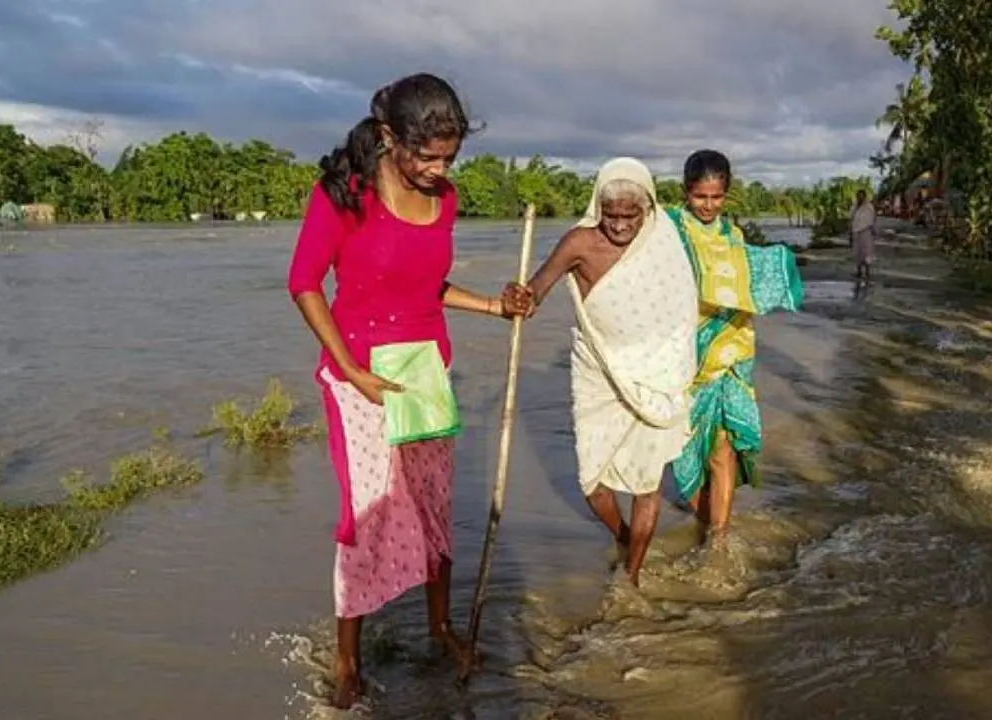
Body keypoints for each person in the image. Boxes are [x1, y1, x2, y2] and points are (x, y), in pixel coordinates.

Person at [286, 73, 529, 709]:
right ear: (391, 137)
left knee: (431, 509)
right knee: (366, 517)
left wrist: (496, 307)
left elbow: (429, 289)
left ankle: (440, 627)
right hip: (358, 377)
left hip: (425, 372)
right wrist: (352, 369)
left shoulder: (444, 201)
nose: (438, 170)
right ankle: (347, 661)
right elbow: (305, 284)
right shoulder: (346, 195)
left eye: (449, 158)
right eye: (427, 156)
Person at [506, 158, 699, 586]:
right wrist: (520, 298)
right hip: (598, 370)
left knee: (647, 483)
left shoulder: (662, 239)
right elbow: (538, 289)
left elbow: (681, 308)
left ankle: (631, 576)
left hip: (655, 372)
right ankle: (626, 537)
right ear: (598, 207)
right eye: (610, 215)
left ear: (646, 209)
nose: (619, 225)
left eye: (629, 215)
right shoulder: (579, 242)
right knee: (591, 481)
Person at [665, 150, 804, 550]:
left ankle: (718, 540)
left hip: (732, 351)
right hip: (685, 358)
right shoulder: (670, 229)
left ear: (727, 194)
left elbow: (743, 281)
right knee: (686, 449)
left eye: (716, 197)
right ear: (685, 192)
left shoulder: (733, 235)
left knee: (723, 449)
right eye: (700, 196)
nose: (708, 206)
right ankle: (707, 520)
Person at [849, 188, 877, 283]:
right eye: (858, 196)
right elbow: (851, 219)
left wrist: (873, 230)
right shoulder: (854, 207)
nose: (860, 198)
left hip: (866, 231)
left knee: (867, 252)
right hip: (856, 231)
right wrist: (850, 232)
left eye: (862, 196)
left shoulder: (869, 207)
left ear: (864, 197)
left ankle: (867, 272)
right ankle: (859, 271)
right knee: (857, 252)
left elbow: (872, 219)